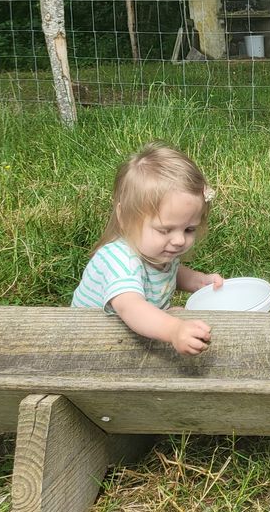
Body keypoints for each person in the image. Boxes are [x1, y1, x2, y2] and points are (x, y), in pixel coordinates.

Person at [72, 142, 224, 355]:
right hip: (88, 343)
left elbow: (169, 272)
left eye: (189, 229)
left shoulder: (156, 251)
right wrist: (173, 329)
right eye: (165, 230)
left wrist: (200, 282)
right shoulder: (119, 260)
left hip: (126, 336)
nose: (179, 240)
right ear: (125, 218)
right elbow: (131, 307)